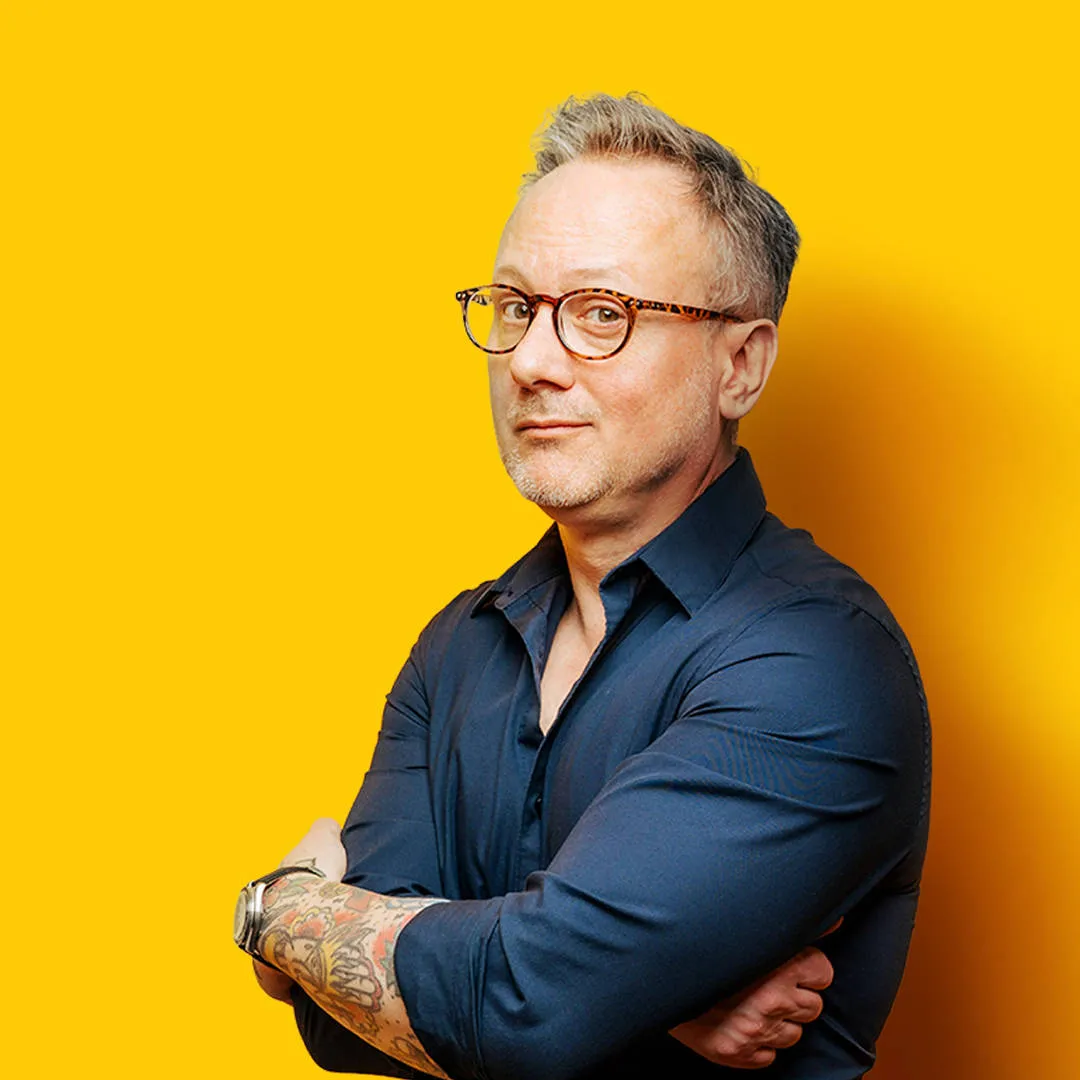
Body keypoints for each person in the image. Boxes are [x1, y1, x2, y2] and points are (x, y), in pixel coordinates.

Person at [233, 94, 930, 1079]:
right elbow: (343, 1024)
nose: (528, 360)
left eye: (600, 314)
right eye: (515, 306)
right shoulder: (460, 646)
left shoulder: (813, 659)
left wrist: (283, 909)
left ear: (741, 365)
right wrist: (637, 996)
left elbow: (528, 1008)